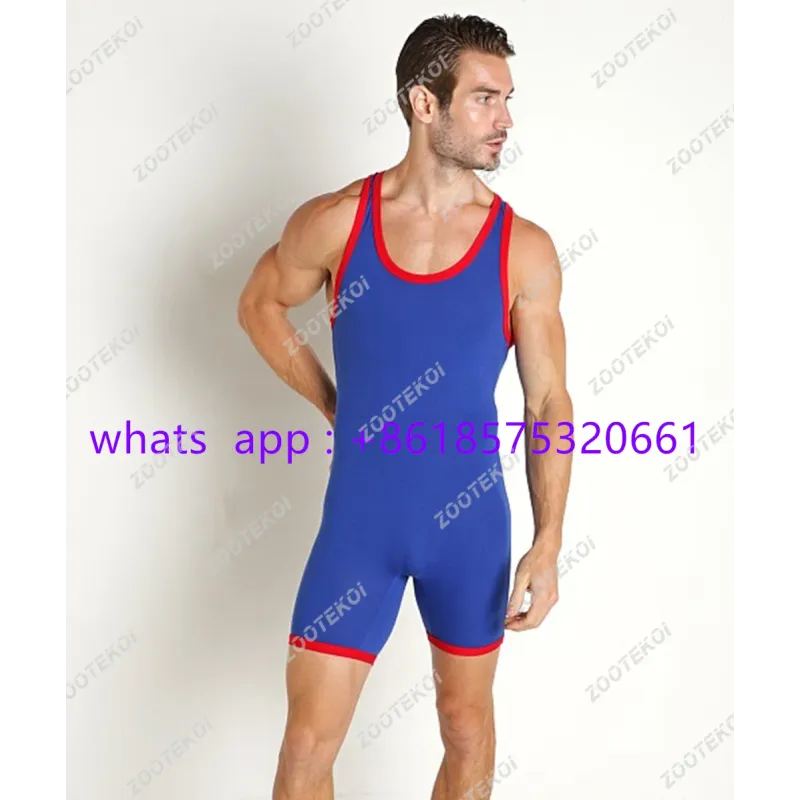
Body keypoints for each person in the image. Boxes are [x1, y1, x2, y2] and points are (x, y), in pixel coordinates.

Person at [238, 13, 573, 800]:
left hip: (469, 527)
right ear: (426, 103)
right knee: (304, 748)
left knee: (466, 730)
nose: (505, 118)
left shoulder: (522, 248)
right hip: (359, 527)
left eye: (507, 99)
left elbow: (548, 401)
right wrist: (334, 405)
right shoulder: (336, 221)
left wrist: (550, 538)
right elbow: (259, 306)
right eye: (485, 98)